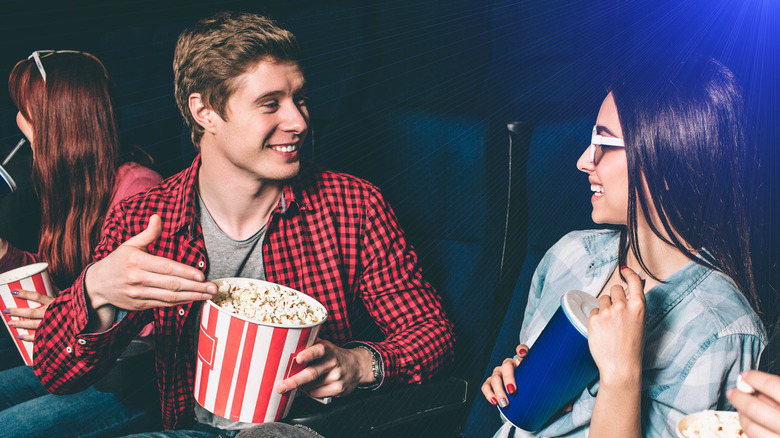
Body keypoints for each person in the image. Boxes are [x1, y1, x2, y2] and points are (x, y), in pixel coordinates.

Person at [32, 11, 455, 438]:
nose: (299, 121)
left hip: (300, 427)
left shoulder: (351, 205)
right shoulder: (143, 218)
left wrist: (359, 363)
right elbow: (57, 373)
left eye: (300, 98)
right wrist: (96, 291)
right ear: (205, 112)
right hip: (182, 419)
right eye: (270, 104)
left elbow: (431, 332)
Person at [481, 55, 766, 437]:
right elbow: (520, 421)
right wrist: (514, 384)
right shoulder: (568, 255)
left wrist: (621, 375)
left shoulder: (723, 331)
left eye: (605, 142)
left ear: (671, 158)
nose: (584, 161)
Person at [0, 50, 163, 436]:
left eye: (25, 111)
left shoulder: (138, 189)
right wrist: (6, 254)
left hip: (134, 376)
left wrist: (67, 312)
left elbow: (152, 321)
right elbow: (65, 275)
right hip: (77, 358)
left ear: (56, 124)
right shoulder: (72, 188)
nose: (18, 121)